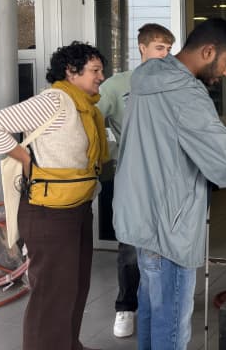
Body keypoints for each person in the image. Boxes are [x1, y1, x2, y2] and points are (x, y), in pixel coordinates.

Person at [113, 18, 226, 350]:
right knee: (171, 327)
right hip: (169, 227)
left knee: (153, 312)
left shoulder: (145, 78)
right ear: (208, 50)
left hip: (141, 220)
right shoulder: (185, 92)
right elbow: (223, 157)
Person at [0, 42, 108, 350]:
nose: (100, 77)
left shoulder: (85, 106)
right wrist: (26, 160)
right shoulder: (55, 101)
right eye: (95, 70)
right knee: (52, 294)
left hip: (77, 208)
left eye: (101, 71)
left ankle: (69, 344)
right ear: (70, 71)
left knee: (75, 287)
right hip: (48, 212)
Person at [96, 23, 175, 338]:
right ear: (142, 47)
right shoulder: (117, 85)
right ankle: (126, 307)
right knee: (130, 246)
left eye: (168, 49)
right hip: (132, 180)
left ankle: (161, 304)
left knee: (167, 246)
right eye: (159, 48)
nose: (164, 54)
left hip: (169, 179)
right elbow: (89, 121)